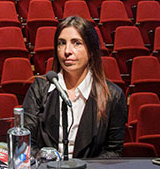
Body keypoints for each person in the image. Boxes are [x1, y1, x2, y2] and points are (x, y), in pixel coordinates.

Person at [22, 15, 128, 158]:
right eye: (61, 43)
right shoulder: (40, 88)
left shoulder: (113, 95)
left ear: (91, 50)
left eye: (76, 43)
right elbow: (25, 142)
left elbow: (113, 151)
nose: (67, 51)